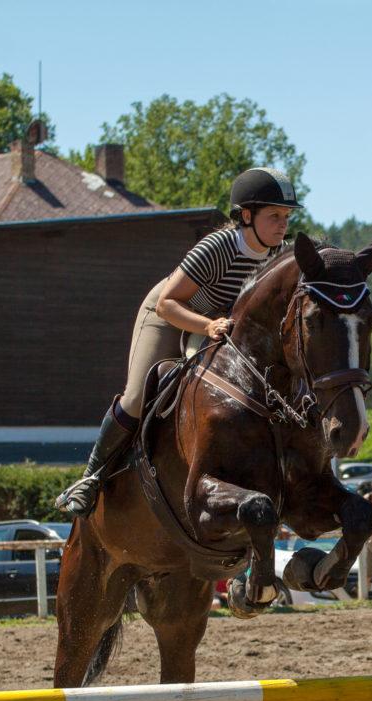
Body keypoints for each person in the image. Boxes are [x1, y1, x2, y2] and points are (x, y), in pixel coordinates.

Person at [56, 167, 302, 517]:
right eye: (274, 216)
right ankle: (91, 477)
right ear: (246, 216)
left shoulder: (280, 256)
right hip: (171, 313)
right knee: (137, 396)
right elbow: (168, 303)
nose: (283, 225)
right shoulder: (219, 247)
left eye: (287, 217)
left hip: (220, 323)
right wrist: (208, 324)